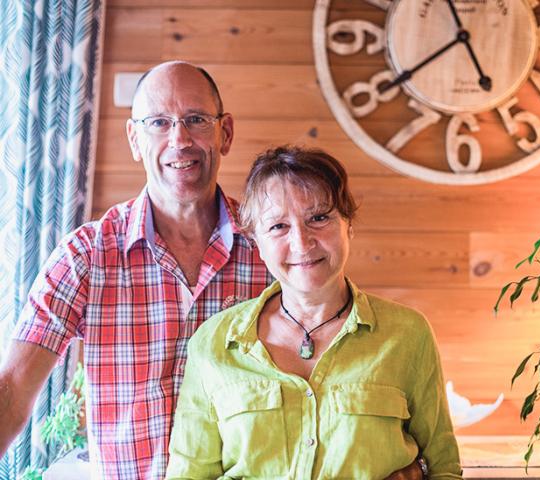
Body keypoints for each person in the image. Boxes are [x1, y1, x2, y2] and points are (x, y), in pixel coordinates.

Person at [0, 63, 422, 480]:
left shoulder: (273, 248)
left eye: (196, 120)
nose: (179, 140)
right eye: (159, 123)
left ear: (226, 133)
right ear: (134, 138)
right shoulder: (86, 255)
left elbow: (339, 379)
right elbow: (13, 389)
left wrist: (405, 464)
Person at [166, 146, 463, 479]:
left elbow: (443, 467)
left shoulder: (407, 334)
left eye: (319, 218)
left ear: (348, 225)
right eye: (278, 226)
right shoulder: (214, 342)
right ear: (256, 242)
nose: (302, 242)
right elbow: (187, 474)